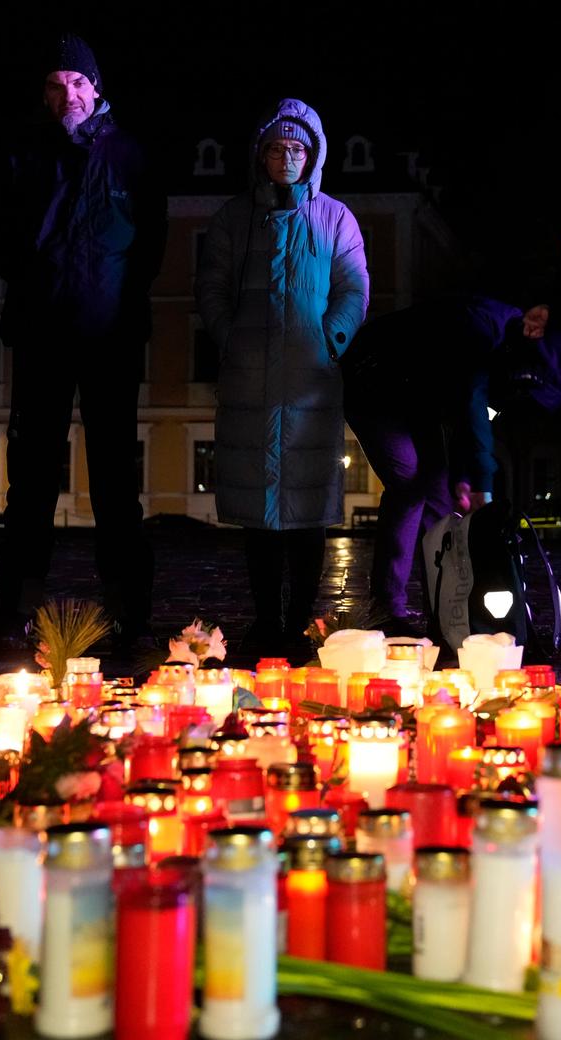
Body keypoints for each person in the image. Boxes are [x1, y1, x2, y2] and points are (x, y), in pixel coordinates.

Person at [0, 33, 164, 657]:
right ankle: (16, 609)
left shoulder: (131, 155)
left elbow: (151, 246)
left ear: (96, 87)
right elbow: (0, 237)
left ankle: (130, 613)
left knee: (116, 481)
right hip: (41, 335)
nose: (68, 95)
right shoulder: (20, 155)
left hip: (110, 339)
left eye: (78, 83)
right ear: (45, 93)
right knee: (31, 483)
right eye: (57, 85)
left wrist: (123, 306)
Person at [196, 99, 370, 659]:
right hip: (249, 382)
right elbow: (212, 286)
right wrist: (229, 336)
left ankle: (298, 622)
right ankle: (265, 621)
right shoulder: (232, 217)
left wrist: (329, 339)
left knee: (307, 515)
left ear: (311, 156)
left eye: (296, 149)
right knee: (258, 521)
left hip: (310, 382)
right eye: (275, 149)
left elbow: (353, 287)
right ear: (261, 156)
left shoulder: (335, 218)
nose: (286, 158)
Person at [341, 295, 561, 632]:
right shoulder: (480, 326)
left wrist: (463, 477)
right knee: (409, 485)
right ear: (532, 327)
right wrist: (482, 483)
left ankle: (441, 606)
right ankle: (386, 609)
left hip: (418, 396)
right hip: (374, 379)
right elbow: (470, 401)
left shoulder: (514, 352)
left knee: (440, 493)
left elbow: (469, 416)